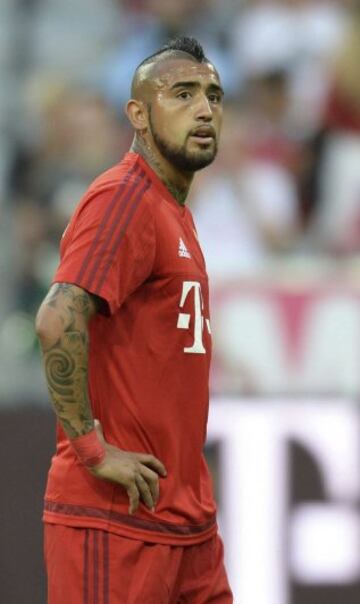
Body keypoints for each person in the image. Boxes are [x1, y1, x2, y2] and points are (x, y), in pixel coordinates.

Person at [36, 36, 232, 603]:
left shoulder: (173, 212)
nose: (204, 109)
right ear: (139, 115)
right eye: (183, 94)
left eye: (214, 96)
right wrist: (93, 450)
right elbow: (56, 319)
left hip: (187, 527)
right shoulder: (125, 197)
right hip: (116, 523)